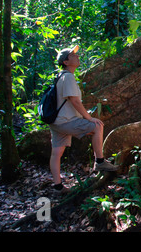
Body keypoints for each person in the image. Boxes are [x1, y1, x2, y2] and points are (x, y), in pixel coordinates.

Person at [49, 45, 117, 194]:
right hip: (66, 121)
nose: (77, 56)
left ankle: (58, 186)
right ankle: (99, 162)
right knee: (97, 126)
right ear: (66, 62)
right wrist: (89, 118)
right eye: (73, 55)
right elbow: (74, 101)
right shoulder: (67, 77)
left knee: (56, 152)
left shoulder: (60, 76)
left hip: (56, 122)